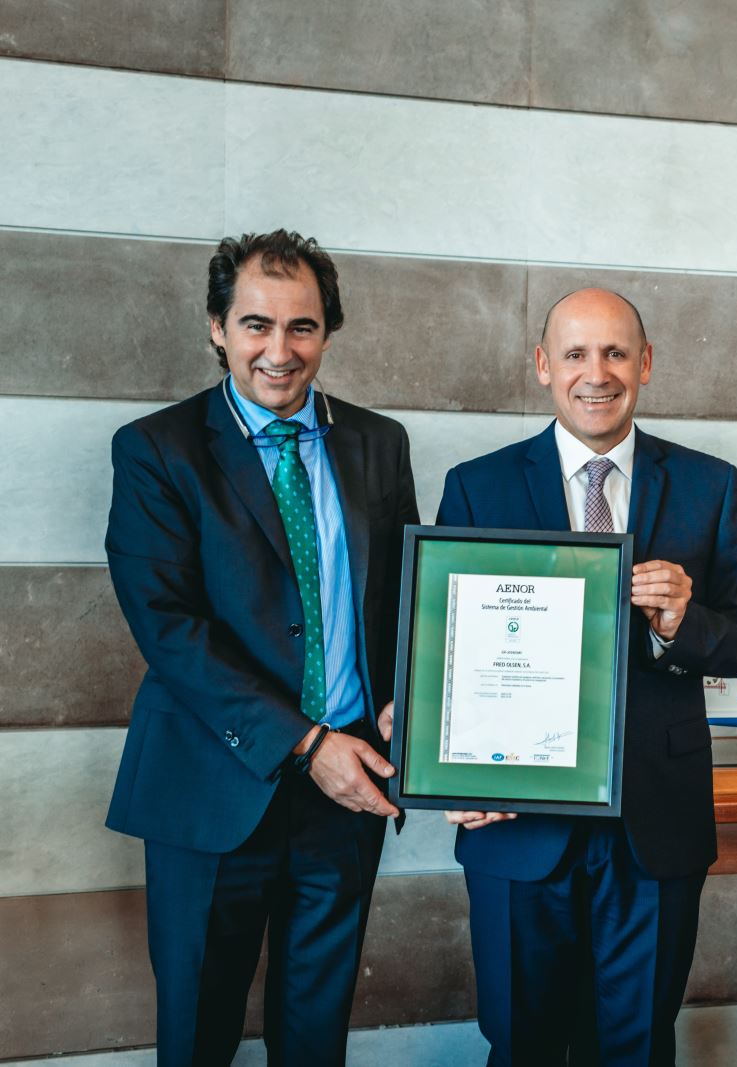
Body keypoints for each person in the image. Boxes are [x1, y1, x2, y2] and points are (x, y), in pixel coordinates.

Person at [104, 230, 418, 1065]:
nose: (280, 351)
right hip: (213, 791)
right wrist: (305, 742)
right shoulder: (156, 451)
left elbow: (403, 602)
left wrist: (411, 696)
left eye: (303, 327)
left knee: (316, 1040)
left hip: (347, 794)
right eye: (255, 325)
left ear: (327, 331)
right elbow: (170, 627)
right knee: (200, 1035)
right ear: (217, 327)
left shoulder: (379, 444)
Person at [436, 288, 737, 1065]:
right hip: (518, 822)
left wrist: (683, 623)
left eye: (616, 352)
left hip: (655, 823)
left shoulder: (708, 484)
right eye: (577, 353)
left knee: (636, 1044)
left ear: (646, 364)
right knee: (521, 1042)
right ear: (543, 366)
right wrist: (446, 761)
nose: (598, 372)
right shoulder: (477, 486)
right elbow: (443, 644)